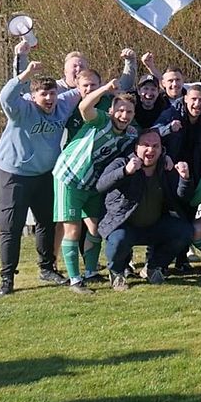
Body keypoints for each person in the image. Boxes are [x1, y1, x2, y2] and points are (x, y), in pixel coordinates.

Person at [0, 60, 81, 296]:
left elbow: (84, 88)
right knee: (11, 226)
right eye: (44, 94)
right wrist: (25, 74)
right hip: (15, 174)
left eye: (52, 93)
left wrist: (107, 86)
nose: (49, 98)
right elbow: (5, 96)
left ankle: (47, 268)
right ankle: (7, 277)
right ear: (33, 97)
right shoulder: (21, 110)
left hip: (44, 174)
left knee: (47, 223)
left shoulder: (62, 104)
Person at [52, 80, 138, 293]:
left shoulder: (130, 134)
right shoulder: (101, 120)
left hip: (92, 184)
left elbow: (148, 138)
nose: (124, 115)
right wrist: (105, 89)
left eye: (128, 112)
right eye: (120, 110)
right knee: (73, 229)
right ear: (111, 111)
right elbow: (84, 107)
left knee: (95, 228)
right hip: (69, 177)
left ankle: (90, 272)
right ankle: (75, 281)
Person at [97, 129, 194, 291]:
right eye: (145, 145)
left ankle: (153, 267)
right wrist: (125, 172)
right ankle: (117, 272)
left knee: (184, 232)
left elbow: (183, 197)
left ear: (161, 149)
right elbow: (101, 185)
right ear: (136, 148)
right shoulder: (121, 163)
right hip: (124, 225)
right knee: (118, 240)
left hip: (155, 225)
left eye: (156, 146)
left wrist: (184, 178)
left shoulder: (166, 166)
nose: (150, 150)